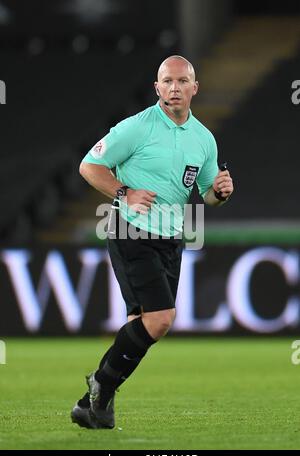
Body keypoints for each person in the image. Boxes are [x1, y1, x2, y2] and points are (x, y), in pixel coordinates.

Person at [71, 55, 234, 429]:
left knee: (139, 327)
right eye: (167, 81)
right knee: (160, 321)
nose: (174, 88)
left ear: (195, 88)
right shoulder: (136, 128)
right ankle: (99, 388)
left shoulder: (203, 139)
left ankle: (93, 402)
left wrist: (220, 192)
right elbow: (89, 166)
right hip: (131, 231)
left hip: (172, 237)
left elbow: (207, 193)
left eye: (182, 81)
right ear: (157, 87)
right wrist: (123, 192)